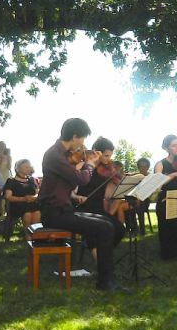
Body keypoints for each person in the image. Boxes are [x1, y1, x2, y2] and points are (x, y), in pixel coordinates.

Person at [37, 118, 123, 292]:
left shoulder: (61, 155)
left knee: (108, 225)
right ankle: (106, 282)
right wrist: (90, 164)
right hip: (54, 214)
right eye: (83, 138)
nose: (84, 143)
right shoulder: (54, 155)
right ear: (75, 136)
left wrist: (74, 197)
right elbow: (81, 179)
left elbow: (59, 185)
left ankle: (107, 277)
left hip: (63, 210)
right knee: (105, 228)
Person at [74, 138, 126, 245]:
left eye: (110, 156)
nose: (109, 159)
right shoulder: (81, 166)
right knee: (99, 229)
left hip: (98, 208)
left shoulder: (108, 169)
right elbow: (70, 190)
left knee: (120, 230)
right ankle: (100, 252)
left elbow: (108, 194)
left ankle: (105, 252)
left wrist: (122, 189)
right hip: (82, 207)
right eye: (106, 156)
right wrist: (76, 196)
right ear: (96, 152)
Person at [153, 135, 177, 259]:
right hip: (166, 200)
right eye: (174, 145)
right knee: (168, 230)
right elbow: (157, 182)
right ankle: (169, 254)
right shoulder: (161, 164)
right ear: (166, 148)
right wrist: (175, 174)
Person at [3, 159, 41, 229]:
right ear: (18, 168)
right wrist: (23, 199)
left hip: (31, 203)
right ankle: (28, 236)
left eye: (29, 167)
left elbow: (38, 192)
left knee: (37, 213)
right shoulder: (11, 181)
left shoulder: (31, 180)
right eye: (26, 167)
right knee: (28, 214)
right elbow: (8, 197)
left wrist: (34, 197)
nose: (28, 169)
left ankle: (35, 236)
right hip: (17, 205)